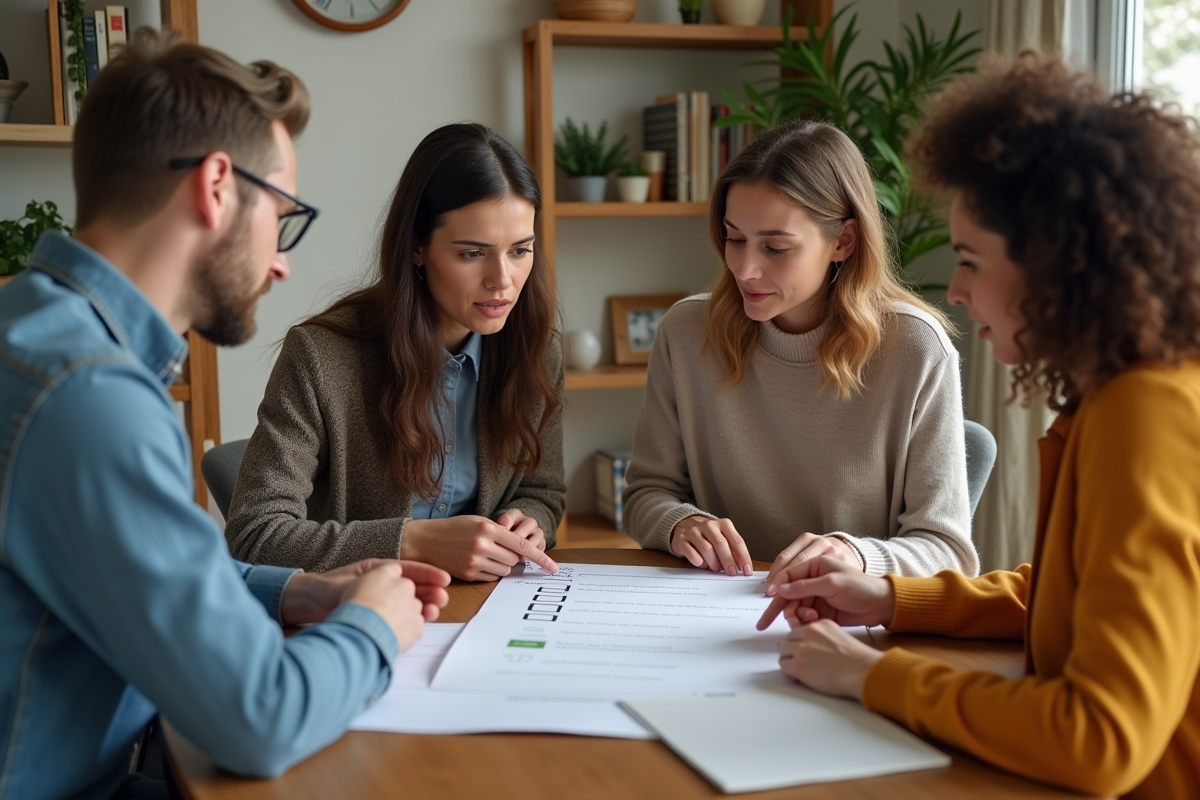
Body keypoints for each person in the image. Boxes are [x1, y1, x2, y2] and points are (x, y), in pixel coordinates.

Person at [0, 30, 450, 800]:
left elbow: (134, 568)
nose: (282, 262)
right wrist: (374, 626)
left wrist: (300, 590)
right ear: (216, 186)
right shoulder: (89, 399)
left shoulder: (33, 331)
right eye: (282, 215)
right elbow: (259, 718)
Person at [757, 54, 1200, 799]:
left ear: (1061, 266)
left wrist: (877, 674)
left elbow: (1101, 738)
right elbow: (1068, 596)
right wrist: (892, 600)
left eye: (970, 261)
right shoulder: (1116, 392)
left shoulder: (1149, 411)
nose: (957, 292)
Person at [623, 120, 978, 582]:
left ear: (842, 241)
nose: (745, 269)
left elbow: (948, 550)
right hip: (712, 611)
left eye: (775, 247)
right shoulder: (687, 332)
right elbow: (646, 493)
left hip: (845, 621)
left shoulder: (915, 349)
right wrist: (680, 524)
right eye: (735, 239)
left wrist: (855, 556)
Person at [224, 123, 564, 582]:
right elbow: (253, 534)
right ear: (417, 248)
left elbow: (543, 491)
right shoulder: (321, 357)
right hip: (355, 612)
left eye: (520, 250)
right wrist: (412, 541)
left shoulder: (538, 352)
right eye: (472, 254)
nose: (502, 279)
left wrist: (529, 521)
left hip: (480, 610)